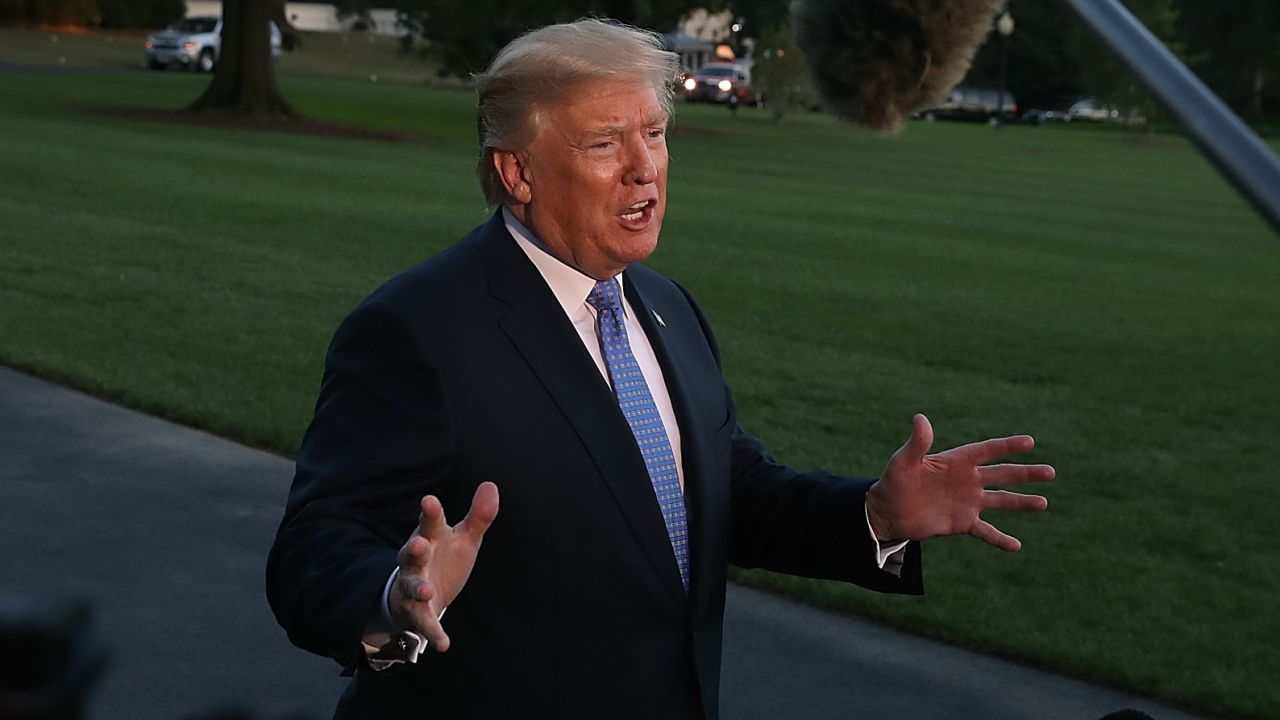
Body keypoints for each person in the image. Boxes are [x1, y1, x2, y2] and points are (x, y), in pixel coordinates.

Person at [265, 18, 1053, 720]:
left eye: (655, 132)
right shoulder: (414, 331)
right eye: (606, 143)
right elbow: (311, 555)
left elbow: (720, 490)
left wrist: (874, 517)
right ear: (517, 173)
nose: (646, 168)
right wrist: (395, 606)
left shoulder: (665, 306)